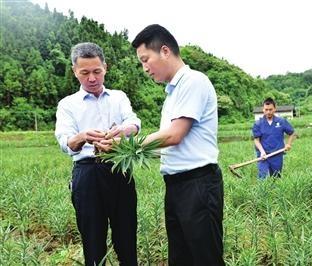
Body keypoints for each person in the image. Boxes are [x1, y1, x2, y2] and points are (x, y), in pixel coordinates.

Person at [126, 24, 224, 265]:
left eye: (146, 59)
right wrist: (120, 150)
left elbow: (174, 135)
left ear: (165, 51)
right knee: (180, 258)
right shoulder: (172, 93)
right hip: (177, 186)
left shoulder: (193, 82)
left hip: (197, 185)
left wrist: (130, 145)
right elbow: (167, 145)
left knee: (205, 258)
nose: (144, 68)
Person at [54, 42, 140, 265]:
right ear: (75, 71)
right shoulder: (67, 105)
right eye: (84, 73)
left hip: (119, 169)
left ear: (105, 67)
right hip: (87, 174)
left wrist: (122, 131)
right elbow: (65, 142)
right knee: (92, 238)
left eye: (97, 71)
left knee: (127, 233)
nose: (92, 78)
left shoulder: (118, 97)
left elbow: (133, 123)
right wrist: (83, 136)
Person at [252, 98, 295, 179]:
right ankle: (262, 191)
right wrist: (262, 152)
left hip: (277, 154)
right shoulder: (258, 124)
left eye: (270, 109)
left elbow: (292, 133)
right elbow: (256, 140)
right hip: (263, 155)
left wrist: (288, 144)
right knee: (262, 177)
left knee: (276, 177)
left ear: (275, 109)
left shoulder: (281, 121)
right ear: (263, 109)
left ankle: (275, 191)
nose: (268, 112)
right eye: (266, 109)